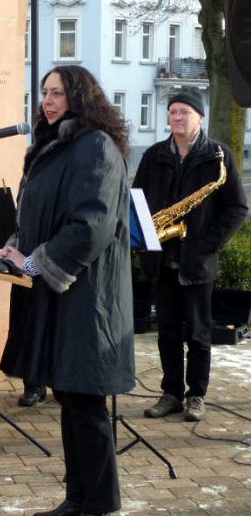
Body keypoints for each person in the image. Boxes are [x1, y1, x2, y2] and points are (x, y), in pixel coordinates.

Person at [0, 65, 134, 516]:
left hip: (87, 296)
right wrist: (16, 247)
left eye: (57, 92)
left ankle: (95, 503)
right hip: (61, 295)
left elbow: (90, 226)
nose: (47, 101)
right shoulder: (56, 145)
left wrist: (36, 263)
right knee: (70, 395)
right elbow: (38, 214)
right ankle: (81, 498)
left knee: (85, 400)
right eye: (43, 93)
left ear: (80, 96)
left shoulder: (95, 147)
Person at [132, 87, 248, 423]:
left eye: (184, 112)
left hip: (197, 261)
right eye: (172, 112)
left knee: (198, 334)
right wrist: (143, 240)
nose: (177, 118)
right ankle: (170, 393)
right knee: (167, 331)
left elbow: (237, 208)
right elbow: (137, 200)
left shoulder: (218, 156)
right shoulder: (154, 155)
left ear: (200, 117)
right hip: (160, 258)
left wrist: (206, 245)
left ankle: (196, 395)